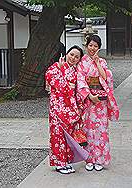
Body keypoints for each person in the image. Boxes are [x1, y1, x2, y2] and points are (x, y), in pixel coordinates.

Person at [77, 35, 119, 171]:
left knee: (101, 130)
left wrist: (97, 63)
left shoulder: (102, 61)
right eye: (90, 45)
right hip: (89, 101)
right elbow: (81, 81)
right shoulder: (82, 62)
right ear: (86, 46)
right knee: (88, 130)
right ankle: (89, 159)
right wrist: (89, 96)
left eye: (95, 46)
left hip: (100, 102)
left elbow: (106, 78)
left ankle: (99, 160)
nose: (92, 48)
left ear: (99, 48)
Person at [45, 45, 84, 174]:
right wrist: (62, 73)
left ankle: (66, 161)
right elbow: (50, 78)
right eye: (71, 54)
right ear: (67, 54)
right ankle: (59, 163)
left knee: (68, 136)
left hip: (69, 108)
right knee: (57, 135)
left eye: (76, 57)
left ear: (79, 60)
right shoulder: (57, 66)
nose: (73, 58)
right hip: (57, 107)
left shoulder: (75, 71)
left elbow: (76, 90)